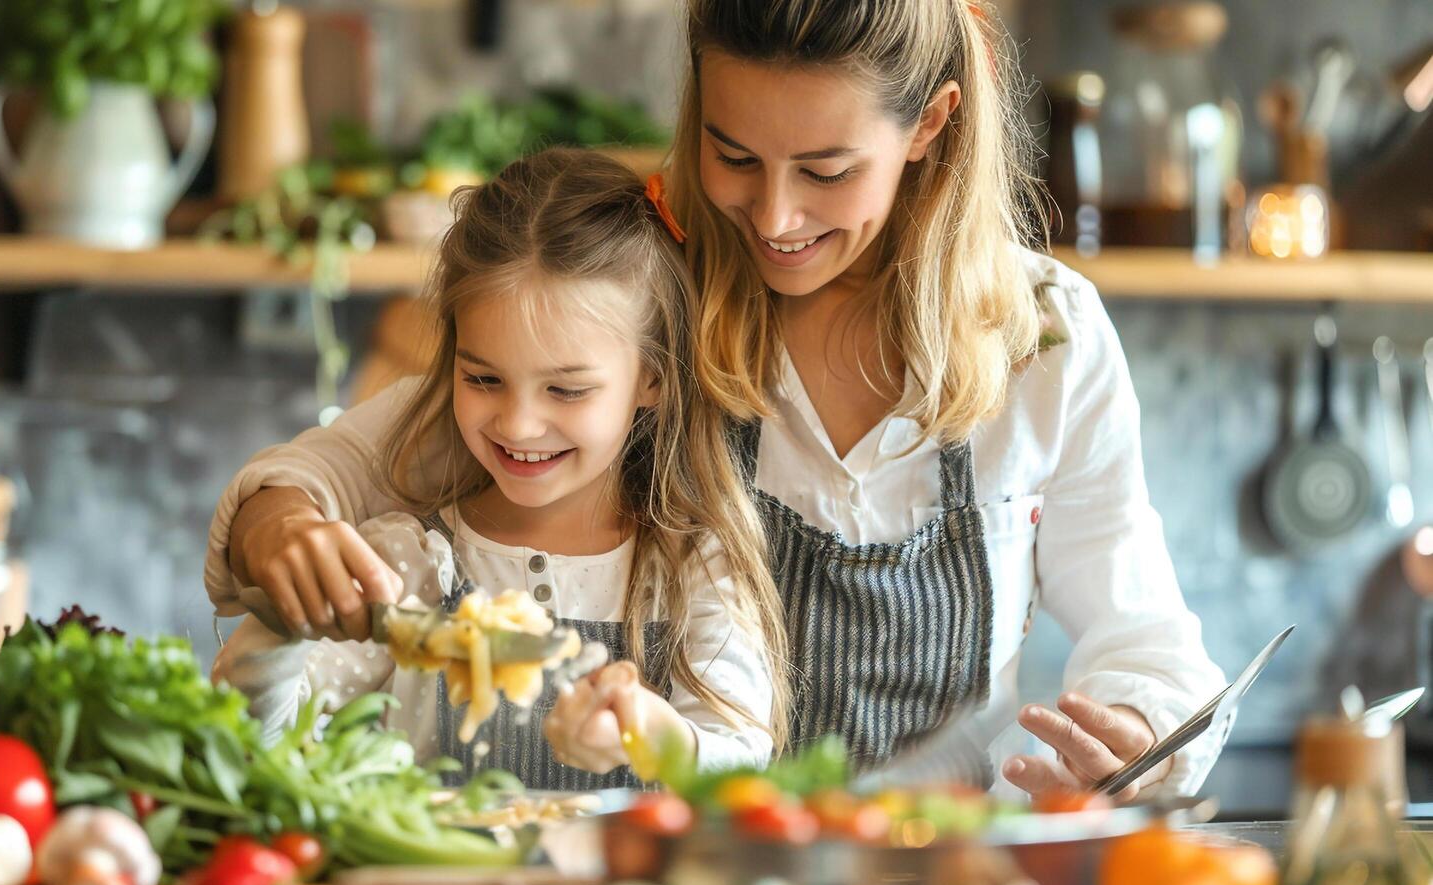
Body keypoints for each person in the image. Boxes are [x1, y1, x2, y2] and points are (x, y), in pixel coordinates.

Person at [207, 0, 1226, 800]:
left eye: (826, 171)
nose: (773, 217)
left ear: (930, 123)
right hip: (690, 879)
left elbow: (1145, 639)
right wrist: (281, 522)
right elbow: (339, 466)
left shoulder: (1044, 333)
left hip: (940, 872)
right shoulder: (646, 288)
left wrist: (1138, 734)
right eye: (734, 154)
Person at [211, 148, 787, 790]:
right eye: (483, 378)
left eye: (566, 391)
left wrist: (648, 733)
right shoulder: (410, 564)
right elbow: (256, 749)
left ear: (650, 378)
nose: (516, 425)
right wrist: (281, 625)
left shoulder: (690, 566)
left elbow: (736, 761)